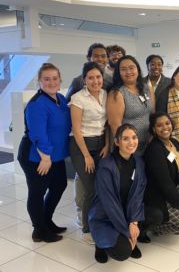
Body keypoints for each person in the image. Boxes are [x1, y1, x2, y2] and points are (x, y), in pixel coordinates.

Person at [17, 63, 71, 243]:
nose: (51, 82)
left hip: (54, 156)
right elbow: (38, 134)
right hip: (37, 156)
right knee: (37, 192)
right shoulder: (37, 104)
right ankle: (39, 230)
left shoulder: (61, 99)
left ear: (60, 80)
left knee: (59, 185)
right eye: (46, 79)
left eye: (55, 78)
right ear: (39, 81)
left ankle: (46, 220)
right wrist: (46, 158)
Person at [89, 124, 146, 263]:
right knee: (123, 252)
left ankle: (132, 237)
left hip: (126, 213)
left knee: (155, 215)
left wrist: (133, 221)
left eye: (134, 137)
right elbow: (110, 203)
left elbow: (138, 192)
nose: (131, 142)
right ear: (117, 142)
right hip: (105, 216)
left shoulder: (138, 162)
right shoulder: (106, 166)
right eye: (125, 139)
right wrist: (127, 233)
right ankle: (100, 245)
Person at [143, 112, 179, 237]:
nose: (165, 128)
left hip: (171, 191)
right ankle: (157, 228)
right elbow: (165, 184)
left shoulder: (174, 142)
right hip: (158, 196)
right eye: (159, 125)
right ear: (153, 129)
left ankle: (175, 212)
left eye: (167, 123)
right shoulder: (155, 150)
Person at [69, 62, 109, 243]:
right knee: (91, 189)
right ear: (84, 80)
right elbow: (76, 130)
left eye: (98, 77)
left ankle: (99, 220)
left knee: (102, 186)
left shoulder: (106, 94)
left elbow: (107, 124)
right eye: (91, 78)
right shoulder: (78, 98)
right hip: (81, 145)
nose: (95, 81)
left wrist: (107, 145)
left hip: (101, 144)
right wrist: (86, 155)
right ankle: (86, 227)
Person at [107, 55, 155, 156]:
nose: (128, 72)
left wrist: (152, 135)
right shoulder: (117, 94)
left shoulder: (146, 87)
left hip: (149, 143)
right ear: (118, 73)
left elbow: (153, 113)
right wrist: (127, 147)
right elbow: (115, 126)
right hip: (130, 148)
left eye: (131, 68)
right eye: (123, 69)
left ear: (137, 69)